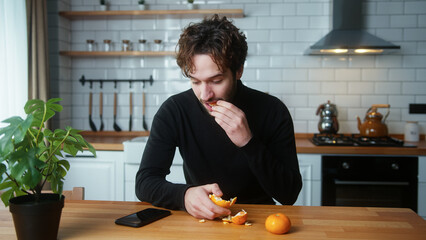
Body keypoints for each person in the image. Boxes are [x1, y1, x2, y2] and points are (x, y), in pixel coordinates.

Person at [135, 14, 302, 220]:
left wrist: (248, 142)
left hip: (259, 220)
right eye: (195, 81)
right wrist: (184, 195)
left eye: (216, 80)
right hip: (202, 220)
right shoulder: (174, 110)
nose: (205, 95)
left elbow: (289, 194)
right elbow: (145, 182)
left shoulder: (273, 110)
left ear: (238, 70)